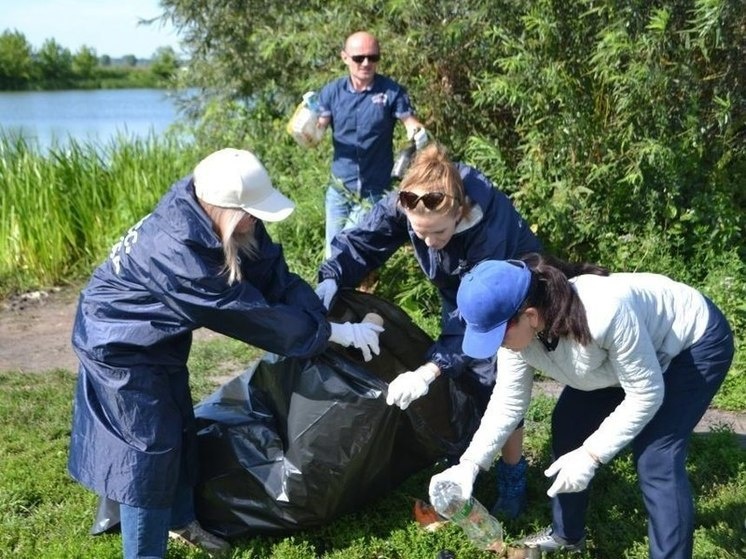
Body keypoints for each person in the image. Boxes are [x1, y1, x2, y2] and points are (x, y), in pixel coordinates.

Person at [67, 148, 384, 559]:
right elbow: (253, 317)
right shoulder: (179, 253)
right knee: (147, 452)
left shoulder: (215, 214)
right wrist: (334, 332)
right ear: (228, 209)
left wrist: (313, 305)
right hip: (117, 343)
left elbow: (271, 274)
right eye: (251, 213)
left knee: (179, 427)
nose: (256, 220)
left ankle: (181, 521)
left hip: (155, 336)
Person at [430, 255, 733, 557]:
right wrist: (469, 464)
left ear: (531, 316)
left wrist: (591, 455)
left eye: (496, 335)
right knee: (568, 426)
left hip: (690, 343)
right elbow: (509, 402)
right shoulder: (516, 333)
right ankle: (567, 536)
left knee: (657, 456)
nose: (495, 345)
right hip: (617, 362)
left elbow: (645, 393)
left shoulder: (604, 312)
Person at [316, 143, 543, 518]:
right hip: (457, 288)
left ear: (460, 212)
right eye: (418, 233)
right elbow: (364, 241)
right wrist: (332, 275)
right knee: (462, 379)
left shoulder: (488, 228)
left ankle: (512, 477)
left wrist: (431, 368)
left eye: (437, 232)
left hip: (503, 290)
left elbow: (473, 322)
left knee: (497, 380)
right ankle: (467, 456)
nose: (427, 242)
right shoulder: (409, 200)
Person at [315, 30, 427, 258]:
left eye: (373, 57)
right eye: (359, 58)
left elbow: (409, 121)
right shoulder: (332, 92)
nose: (366, 63)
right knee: (332, 252)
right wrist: (306, 119)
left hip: (374, 189)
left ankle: (347, 291)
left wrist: (418, 133)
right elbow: (316, 133)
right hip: (339, 188)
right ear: (344, 57)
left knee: (348, 247)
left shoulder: (391, 91)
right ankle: (333, 294)